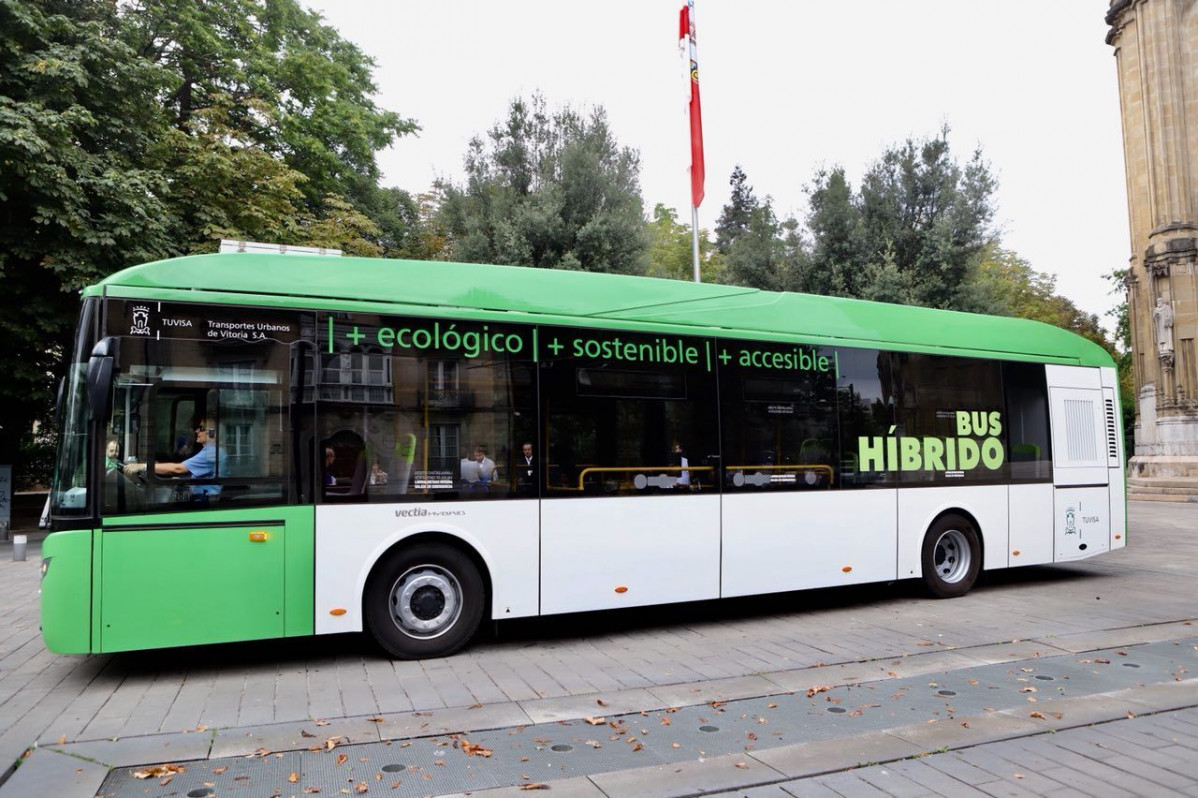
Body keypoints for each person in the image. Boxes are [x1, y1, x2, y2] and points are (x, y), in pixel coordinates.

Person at [125, 419, 225, 497]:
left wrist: (143, 466)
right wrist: (184, 479)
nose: (197, 431)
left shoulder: (211, 452)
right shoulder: (212, 450)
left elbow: (178, 468)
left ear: (212, 433)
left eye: (201, 428)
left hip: (206, 499)